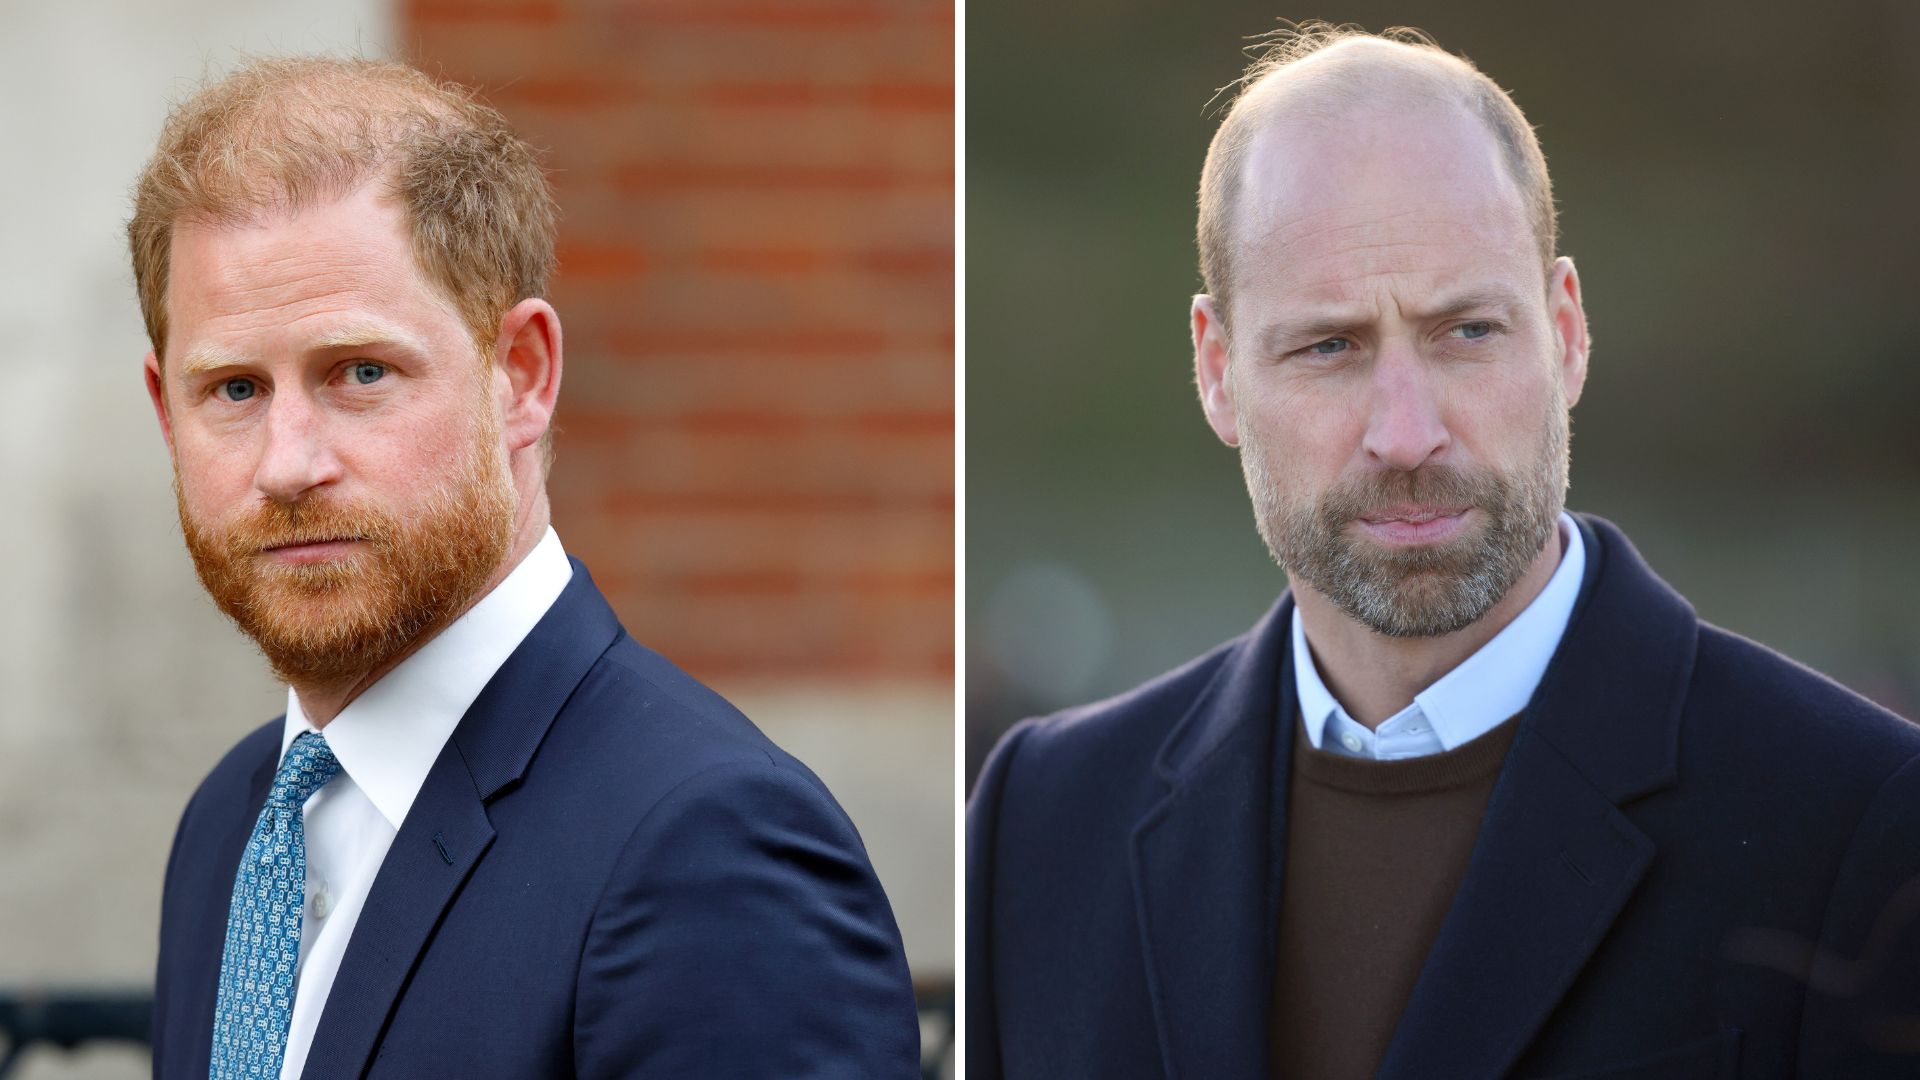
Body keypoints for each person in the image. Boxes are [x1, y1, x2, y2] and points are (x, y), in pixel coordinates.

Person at [966, 24, 1920, 1079]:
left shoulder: (1860, 824)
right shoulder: (1039, 829)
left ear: (1567, 333)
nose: (1406, 432)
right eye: (1329, 345)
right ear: (1217, 371)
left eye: (1467, 331)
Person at [135, 57, 919, 1078]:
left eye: (360, 373)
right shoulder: (227, 825)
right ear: (166, 411)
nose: (288, 464)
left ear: (523, 376)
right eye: (235, 390)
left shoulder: (709, 848)